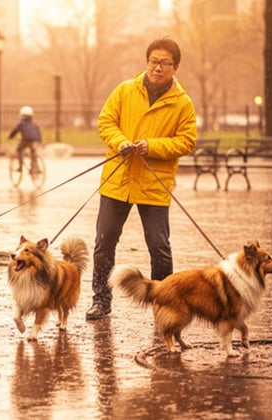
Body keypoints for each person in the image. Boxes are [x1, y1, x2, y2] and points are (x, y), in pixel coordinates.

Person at [85, 37, 198, 320]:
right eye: (153, 61)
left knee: (160, 248)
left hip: (153, 183)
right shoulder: (125, 90)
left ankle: (164, 302)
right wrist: (121, 141)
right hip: (118, 180)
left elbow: (187, 141)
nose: (158, 68)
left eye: (165, 63)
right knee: (103, 244)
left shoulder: (183, 103)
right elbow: (106, 121)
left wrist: (153, 146)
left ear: (175, 67)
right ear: (147, 62)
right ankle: (101, 299)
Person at [8, 105, 42, 173]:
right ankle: (35, 167)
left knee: (19, 150)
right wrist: (39, 140)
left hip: (26, 140)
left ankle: (20, 167)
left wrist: (10, 136)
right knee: (33, 152)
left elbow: (15, 131)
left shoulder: (21, 123)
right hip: (36, 140)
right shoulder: (34, 123)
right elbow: (38, 132)